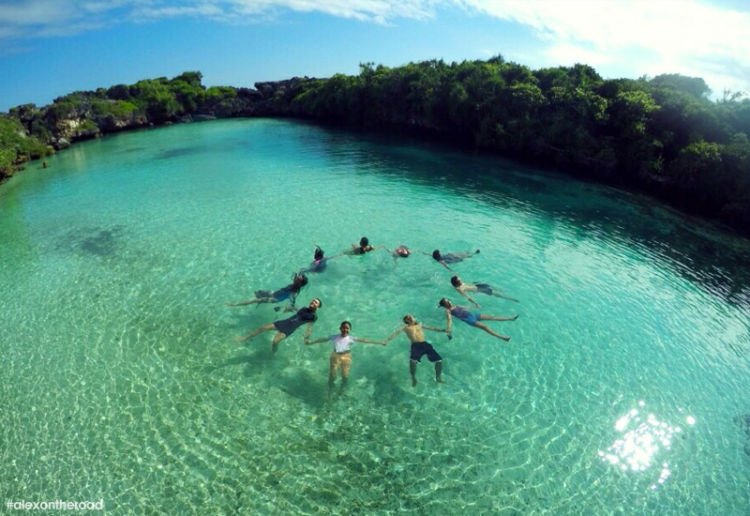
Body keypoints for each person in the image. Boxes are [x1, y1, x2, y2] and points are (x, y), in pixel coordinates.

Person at [305, 320, 385, 388]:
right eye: (343, 327)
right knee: (332, 376)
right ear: (340, 328)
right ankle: (330, 389)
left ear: (350, 329)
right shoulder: (334, 337)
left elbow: (365, 340)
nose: (345, 329)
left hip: (346, 356)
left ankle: (342, 390)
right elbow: (323, 339)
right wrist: (311, 342)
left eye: (347, 328)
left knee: (345, 376)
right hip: (335, 356)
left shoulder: (351, 338)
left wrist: (380, 342)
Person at [236, 298, 322, 353]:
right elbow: (296, 311)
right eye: (313, 301)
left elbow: (309, 327)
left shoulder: (314, 317)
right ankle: (244, 338)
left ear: (318, 307)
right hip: (284, 322)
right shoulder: (304, 308)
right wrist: (285, 309)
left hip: (289, 328)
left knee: (275, 342)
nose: (313, 302)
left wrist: (306, 339)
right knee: (262, 328)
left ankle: (273, 353)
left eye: (316, 302)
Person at [383, 314, 448, 386]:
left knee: (439, 360)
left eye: (412, 316)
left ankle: (437, 377)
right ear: (407, 320)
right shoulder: (405, 328)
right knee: (413, 362)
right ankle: (413, 377)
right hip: (415, 346)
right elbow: (395, 334)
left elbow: (432, 328)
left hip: (425, 344)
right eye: (410, 317)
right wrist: (387, 341)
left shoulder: (419, 324)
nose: (412, 317)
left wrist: (443, 330)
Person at [438, 298, 517, 341]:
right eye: (447, 302)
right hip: (468, 319)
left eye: (448, 300)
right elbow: (449, 320)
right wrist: (449, 329)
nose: (449, 301)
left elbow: (466, 307)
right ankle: (502, 337)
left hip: (473, 315)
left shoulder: (456, 305)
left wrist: (475, 305)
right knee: (485, 327)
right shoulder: (448, 311)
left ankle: (510, 318)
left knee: (491, 317)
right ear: (445, 305)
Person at [227, 273, 308, 310]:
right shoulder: (294, 284)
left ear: (300, 283)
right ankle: (256, 302)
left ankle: (235, 304)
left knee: (256, 300)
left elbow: (292, 302)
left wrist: (283, 308)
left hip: (275, 299)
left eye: (298, 278)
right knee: (259, 292)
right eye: (297, 277)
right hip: (274, 293)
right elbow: (296, 275)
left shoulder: (294, 292)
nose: (296, 277)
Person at [450, 275, 519, 307]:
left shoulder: (459, 283)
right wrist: (476, 304)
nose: (460, 278)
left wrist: (475, 283)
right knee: (495, 293)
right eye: (459, 278)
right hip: (479, 289)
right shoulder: (460, 289)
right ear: (457, 281)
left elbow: (465, 284)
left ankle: (501, 290)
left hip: (476, 285)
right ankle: (511, 299)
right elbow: (467, 297)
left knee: (489, 285)